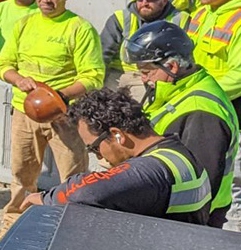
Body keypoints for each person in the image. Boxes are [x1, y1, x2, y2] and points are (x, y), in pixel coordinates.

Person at [0, 0, 104, 249]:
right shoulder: (25, 24)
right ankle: (11, 229)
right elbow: (3, 64)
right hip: (24, 112)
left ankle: (70, 236)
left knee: (74, 176)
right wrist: (18, 79)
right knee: (21, 172)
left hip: (65, 116)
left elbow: (93, 75)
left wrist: (60, 96)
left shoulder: (79, 28)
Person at [33, 89, 212, 225]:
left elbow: (85, 191)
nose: (100, 156)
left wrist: (43, 198)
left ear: (118, 135)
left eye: (95, 148)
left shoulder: (152, 170)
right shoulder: (175, 151)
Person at [128, 21, 239, 229]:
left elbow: (199, 188)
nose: (143, 79)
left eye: (146, 72)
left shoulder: (201, 112)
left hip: (188, 222)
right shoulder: (178, 89)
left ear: (171, 66)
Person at [100, 0, 188, 102]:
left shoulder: (181, 19)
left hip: (154, 76)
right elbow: (102, 55)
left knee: (140, 108)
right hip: (117, 75)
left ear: (164, 0)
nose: (144, 3)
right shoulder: (121, 18)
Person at [188, 0, 241, 109]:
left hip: (223, 103)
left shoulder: (238, 20)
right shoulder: (201, 13)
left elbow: (238, 76)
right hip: (195, 97)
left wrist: (201, 93)